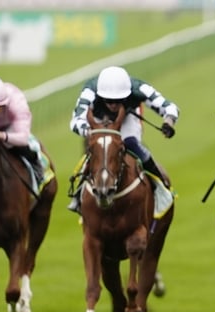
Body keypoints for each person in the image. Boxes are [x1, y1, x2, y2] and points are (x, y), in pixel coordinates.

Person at [67, 65, 178, 212]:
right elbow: (75, 121)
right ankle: (79, 193)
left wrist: (168, 122)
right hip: (99, 122)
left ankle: (160, 186)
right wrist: (91, 133)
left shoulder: (139, 88)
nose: (113, 105)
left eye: (119, 100)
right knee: (99, 149)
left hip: (126, 119)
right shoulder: (89, 91)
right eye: (108, 100)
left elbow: (169, 107)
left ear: (127, 94)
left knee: (130, 143)